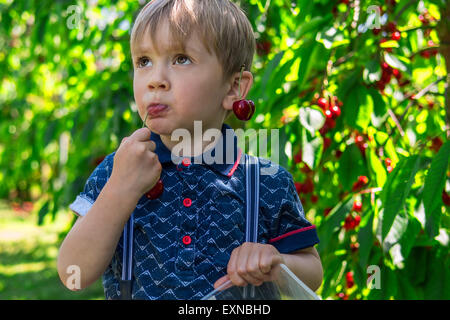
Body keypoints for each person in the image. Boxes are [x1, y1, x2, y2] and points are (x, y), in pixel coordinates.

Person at [57, 0, 323, 300]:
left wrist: (278, 262)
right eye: (143, 61)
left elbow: (312, 272)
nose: (155, 80)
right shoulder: (116, 170)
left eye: (181, 59)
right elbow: (72, 274)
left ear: (234, 87)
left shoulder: (267, 182)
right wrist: (120, 190)